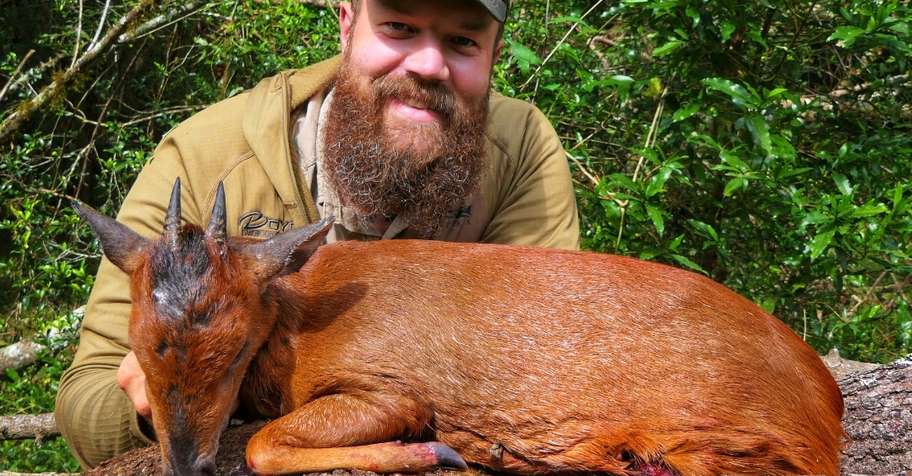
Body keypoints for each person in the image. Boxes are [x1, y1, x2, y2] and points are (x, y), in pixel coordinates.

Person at [55, 0, 580, 468]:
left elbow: (542, 363)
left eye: (463, 41)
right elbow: (87, 404)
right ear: (347, 22)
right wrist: (183, 387)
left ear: (495, 53)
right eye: (398, 26)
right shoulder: (203, 158)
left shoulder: (521, 149)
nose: (427, 64)